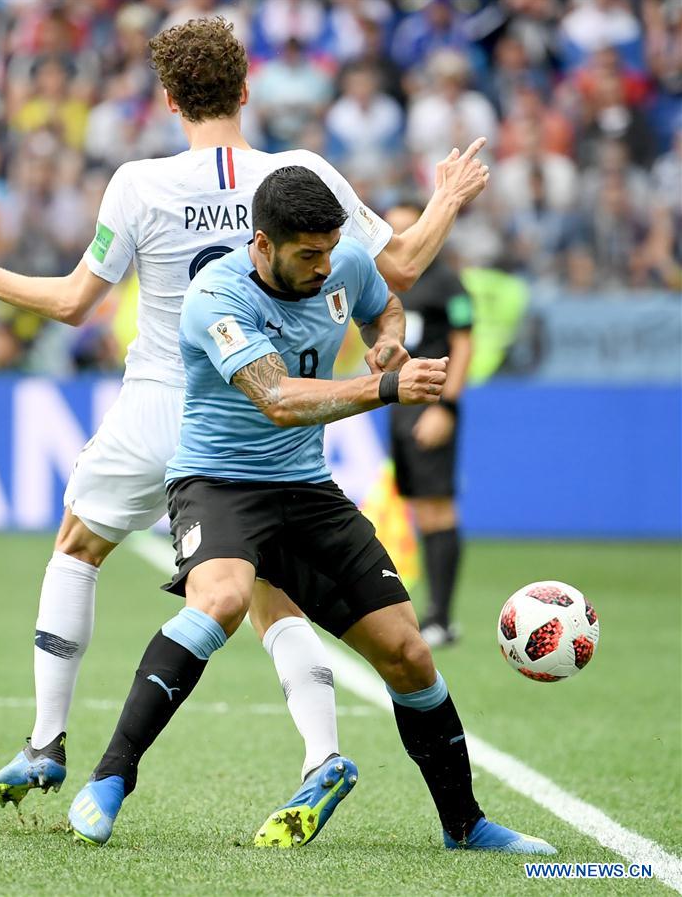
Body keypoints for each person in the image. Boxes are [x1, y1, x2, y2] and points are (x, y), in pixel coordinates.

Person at [0, 17, 489, 814]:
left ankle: (47, 741)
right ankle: (322, 750)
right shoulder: (298, 172)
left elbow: (75, 304)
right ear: (248, 89)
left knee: (79, 546)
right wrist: (445, 200)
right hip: (259, 416)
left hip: (161, 400)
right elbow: (398, 265)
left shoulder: (139, 183)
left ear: (166, 100)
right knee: (268, 588)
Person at [66, 167, 555, 857]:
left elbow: (385, 303)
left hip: (306, 486)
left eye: (330, 250)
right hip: (219, 483)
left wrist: (387, 334)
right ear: (263, 245)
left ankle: (465, 824)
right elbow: (279, 399)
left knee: (410, 653)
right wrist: (386, 382)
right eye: (308, 254)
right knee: (222, 600)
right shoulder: (216, 296)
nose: (325, 265)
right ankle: (112, 776)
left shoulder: (343, 261)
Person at [385, 202, 473, 648]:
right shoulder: (385, 281)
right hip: (401, 405)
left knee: (438, 507)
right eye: (392, 228)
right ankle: (434, 614)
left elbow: (463, 342)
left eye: (407, 227)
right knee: (420, 507)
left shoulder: (445, 281)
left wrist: (448, 407)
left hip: (431, 405)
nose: (399, 237)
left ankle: (441, 616)